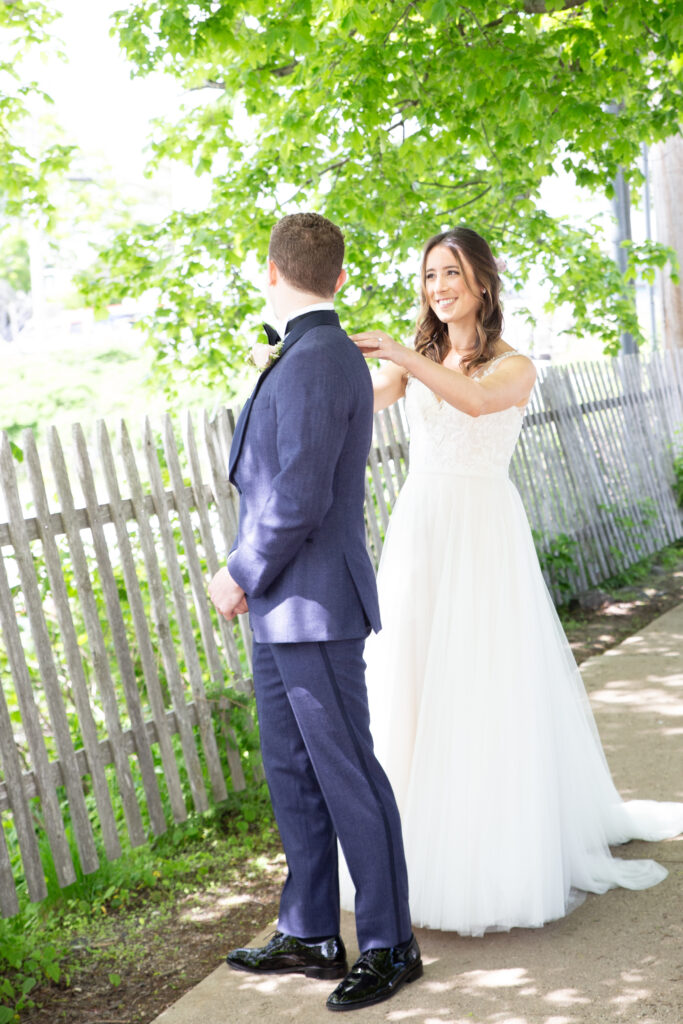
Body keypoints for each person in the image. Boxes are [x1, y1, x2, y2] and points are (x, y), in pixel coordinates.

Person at [344, 225, 683, 936]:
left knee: (479, 677)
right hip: (421, 526)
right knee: (411, 674)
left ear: (482, 285)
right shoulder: (420, 361)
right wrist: (309, 364)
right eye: (430, 275)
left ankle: (485, 846)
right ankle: (408, 840)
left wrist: (402, 352)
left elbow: (472, 404)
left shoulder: (514, 364)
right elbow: (367, 401)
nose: (438, 288)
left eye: (451, 274)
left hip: (481, 529)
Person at [208, 212, 422, 1012]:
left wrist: (238, 572)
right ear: (338, 278)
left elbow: (298, 494)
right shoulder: (305, 352)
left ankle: (391, 943)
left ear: (270, 272)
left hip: (312, 603)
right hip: (282, 606)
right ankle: (309, 932)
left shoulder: (318, 358)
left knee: (346, 773)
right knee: (291, 769)